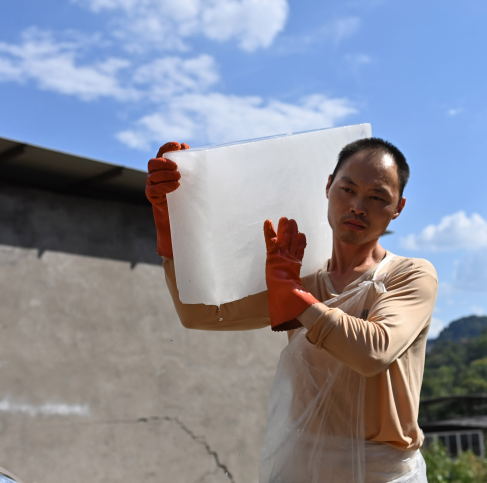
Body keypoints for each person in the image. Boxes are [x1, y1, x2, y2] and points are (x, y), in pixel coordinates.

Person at [146, 137, 438, 482]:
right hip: (303, 468)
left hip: (383, 475)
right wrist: (172, 221)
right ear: (328, 186)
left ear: (398, 207)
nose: (358, 206)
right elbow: (200, 314)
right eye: (347, 189)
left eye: (377, 197)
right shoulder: (302, 279)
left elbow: (372, 352)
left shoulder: (410, 275)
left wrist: (295, 297)